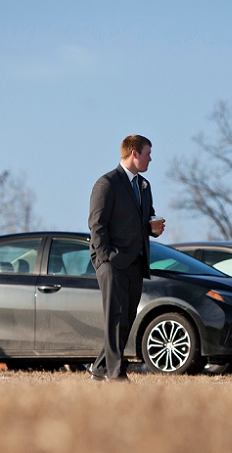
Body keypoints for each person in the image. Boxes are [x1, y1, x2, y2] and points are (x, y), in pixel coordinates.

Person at [87, 134, 165, 382]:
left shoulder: (145, 186)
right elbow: (96, 225)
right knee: (114, 318)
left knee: (127, 319)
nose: (150, 158)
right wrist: (106, 259)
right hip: (112, 264)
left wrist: (151, 228)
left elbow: (143, 222)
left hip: (136, 262)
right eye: (147, 153)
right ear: (134, 153)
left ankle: (100, 369)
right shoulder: (107, 183)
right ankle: (115, 374)